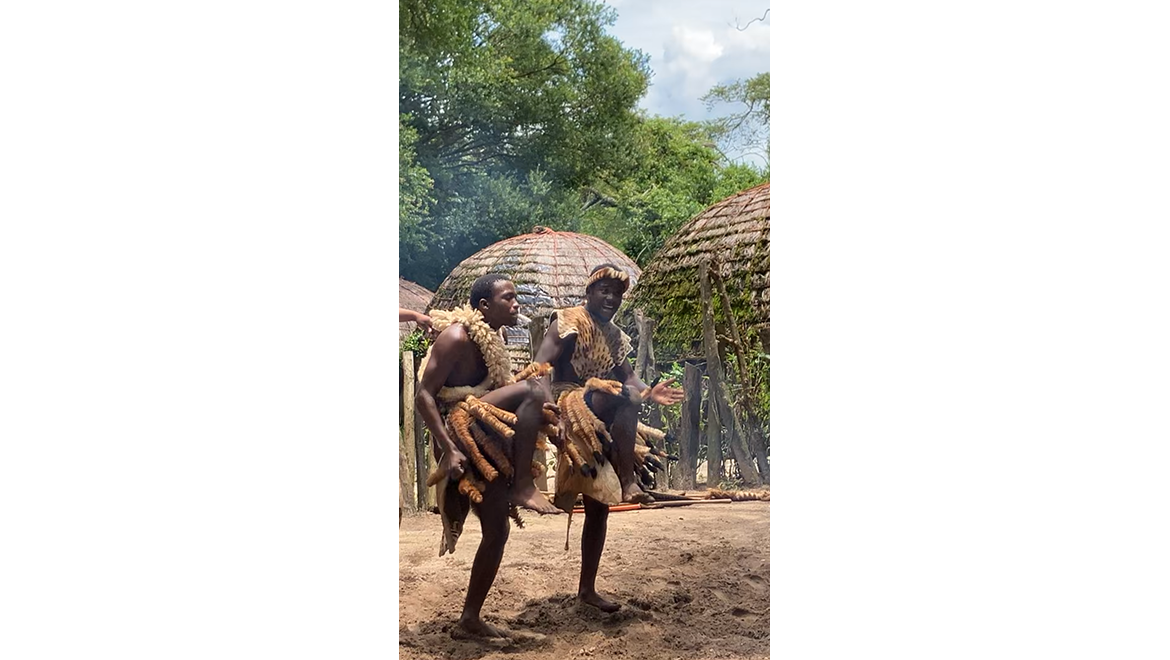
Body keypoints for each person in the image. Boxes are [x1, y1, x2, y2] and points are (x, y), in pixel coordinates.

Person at [414, 273, 560, 638]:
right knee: (530, 389)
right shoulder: (457, 337)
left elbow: (498, 392)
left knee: (497, 530)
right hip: (457, 427)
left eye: (516, 299)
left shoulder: (495, 337)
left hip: (481, 427)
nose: (516, 305)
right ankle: (525, 485)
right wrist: (447, 448)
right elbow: (423, 396)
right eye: (508, 298)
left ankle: (470, 620)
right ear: (483, 306)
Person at [534, 263, 684, 612]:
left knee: (598, 508)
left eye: (617, 294)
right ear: (589, 292)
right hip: (569, 399)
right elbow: (540, 366)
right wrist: (548, 408)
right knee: (623, 397)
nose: (611, 298)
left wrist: (650, 392)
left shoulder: (616, 336)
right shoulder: (568, 321)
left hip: (604, 406)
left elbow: (630, 379)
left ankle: (587, 589)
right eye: (605, 291)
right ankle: (629, 481)